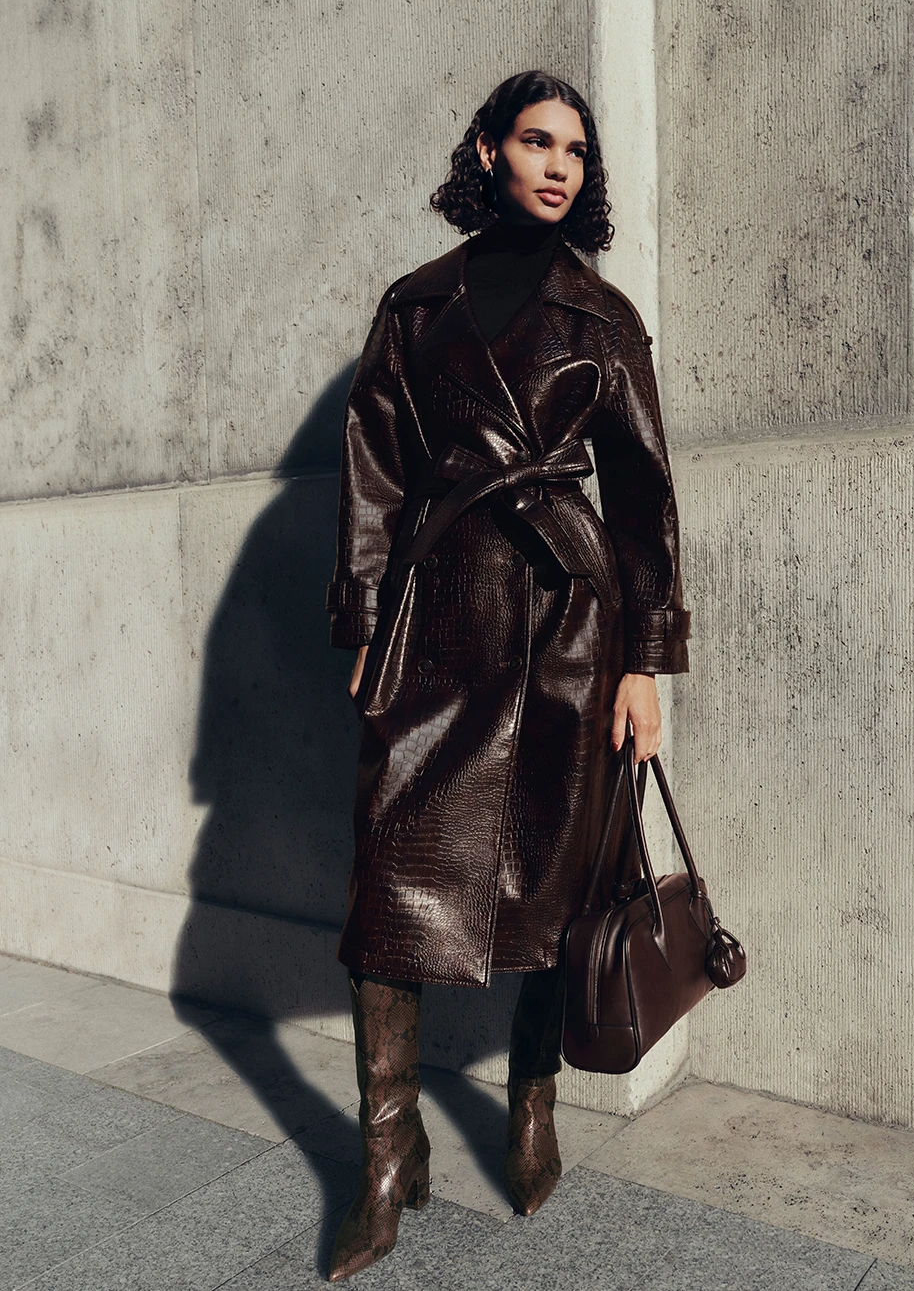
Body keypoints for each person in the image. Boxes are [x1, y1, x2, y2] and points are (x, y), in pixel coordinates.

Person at [323, 69, 690, 1280]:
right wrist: (366, 617)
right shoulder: (415, 305)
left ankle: (533, 1107)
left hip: (566, 620)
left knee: (558, 878)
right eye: (536, 142)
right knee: (389, 884)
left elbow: (643, 500)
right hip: (435, 616)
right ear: (487, 150)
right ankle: (390, 1153)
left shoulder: (603, 316)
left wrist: (647, 661)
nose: (557, 167)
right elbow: (374, 467)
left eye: (574, 152)